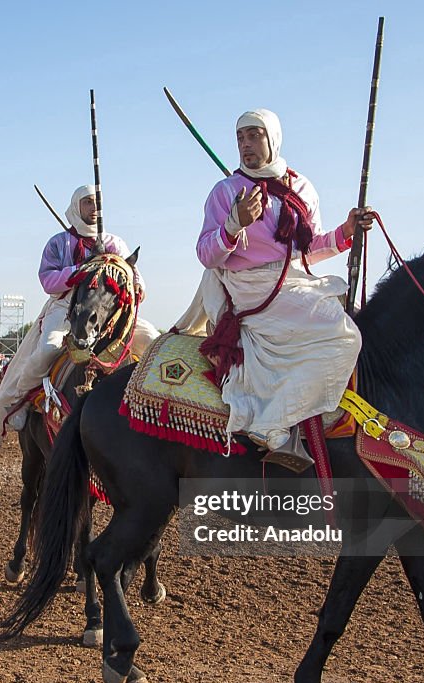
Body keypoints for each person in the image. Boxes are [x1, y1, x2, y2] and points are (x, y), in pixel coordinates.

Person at [175, 108, 373, 470]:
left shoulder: (300, 186)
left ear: (273, 138)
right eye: (240, 138)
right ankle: (272, 426)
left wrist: (345, 232)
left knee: (348, 314)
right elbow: (206, 253)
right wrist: (234, 225)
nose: (246, 145)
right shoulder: (226, 192)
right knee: (343, 336)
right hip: (249, 285)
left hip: (295, 280)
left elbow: (307, 249)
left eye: (254, 136)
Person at [0, 184, 159, 453]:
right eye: (88, 202)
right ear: (77, 207)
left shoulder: (115, 243)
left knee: (154, 341)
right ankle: (22, 402)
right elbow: (47, 280)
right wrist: (81, 270)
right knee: (47, 350)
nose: (95, 208)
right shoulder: (58, 243)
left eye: (98, 202)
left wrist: (131, 282)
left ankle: (156, 405)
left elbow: (135, 278)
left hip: (108, 311)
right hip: (66, 307)